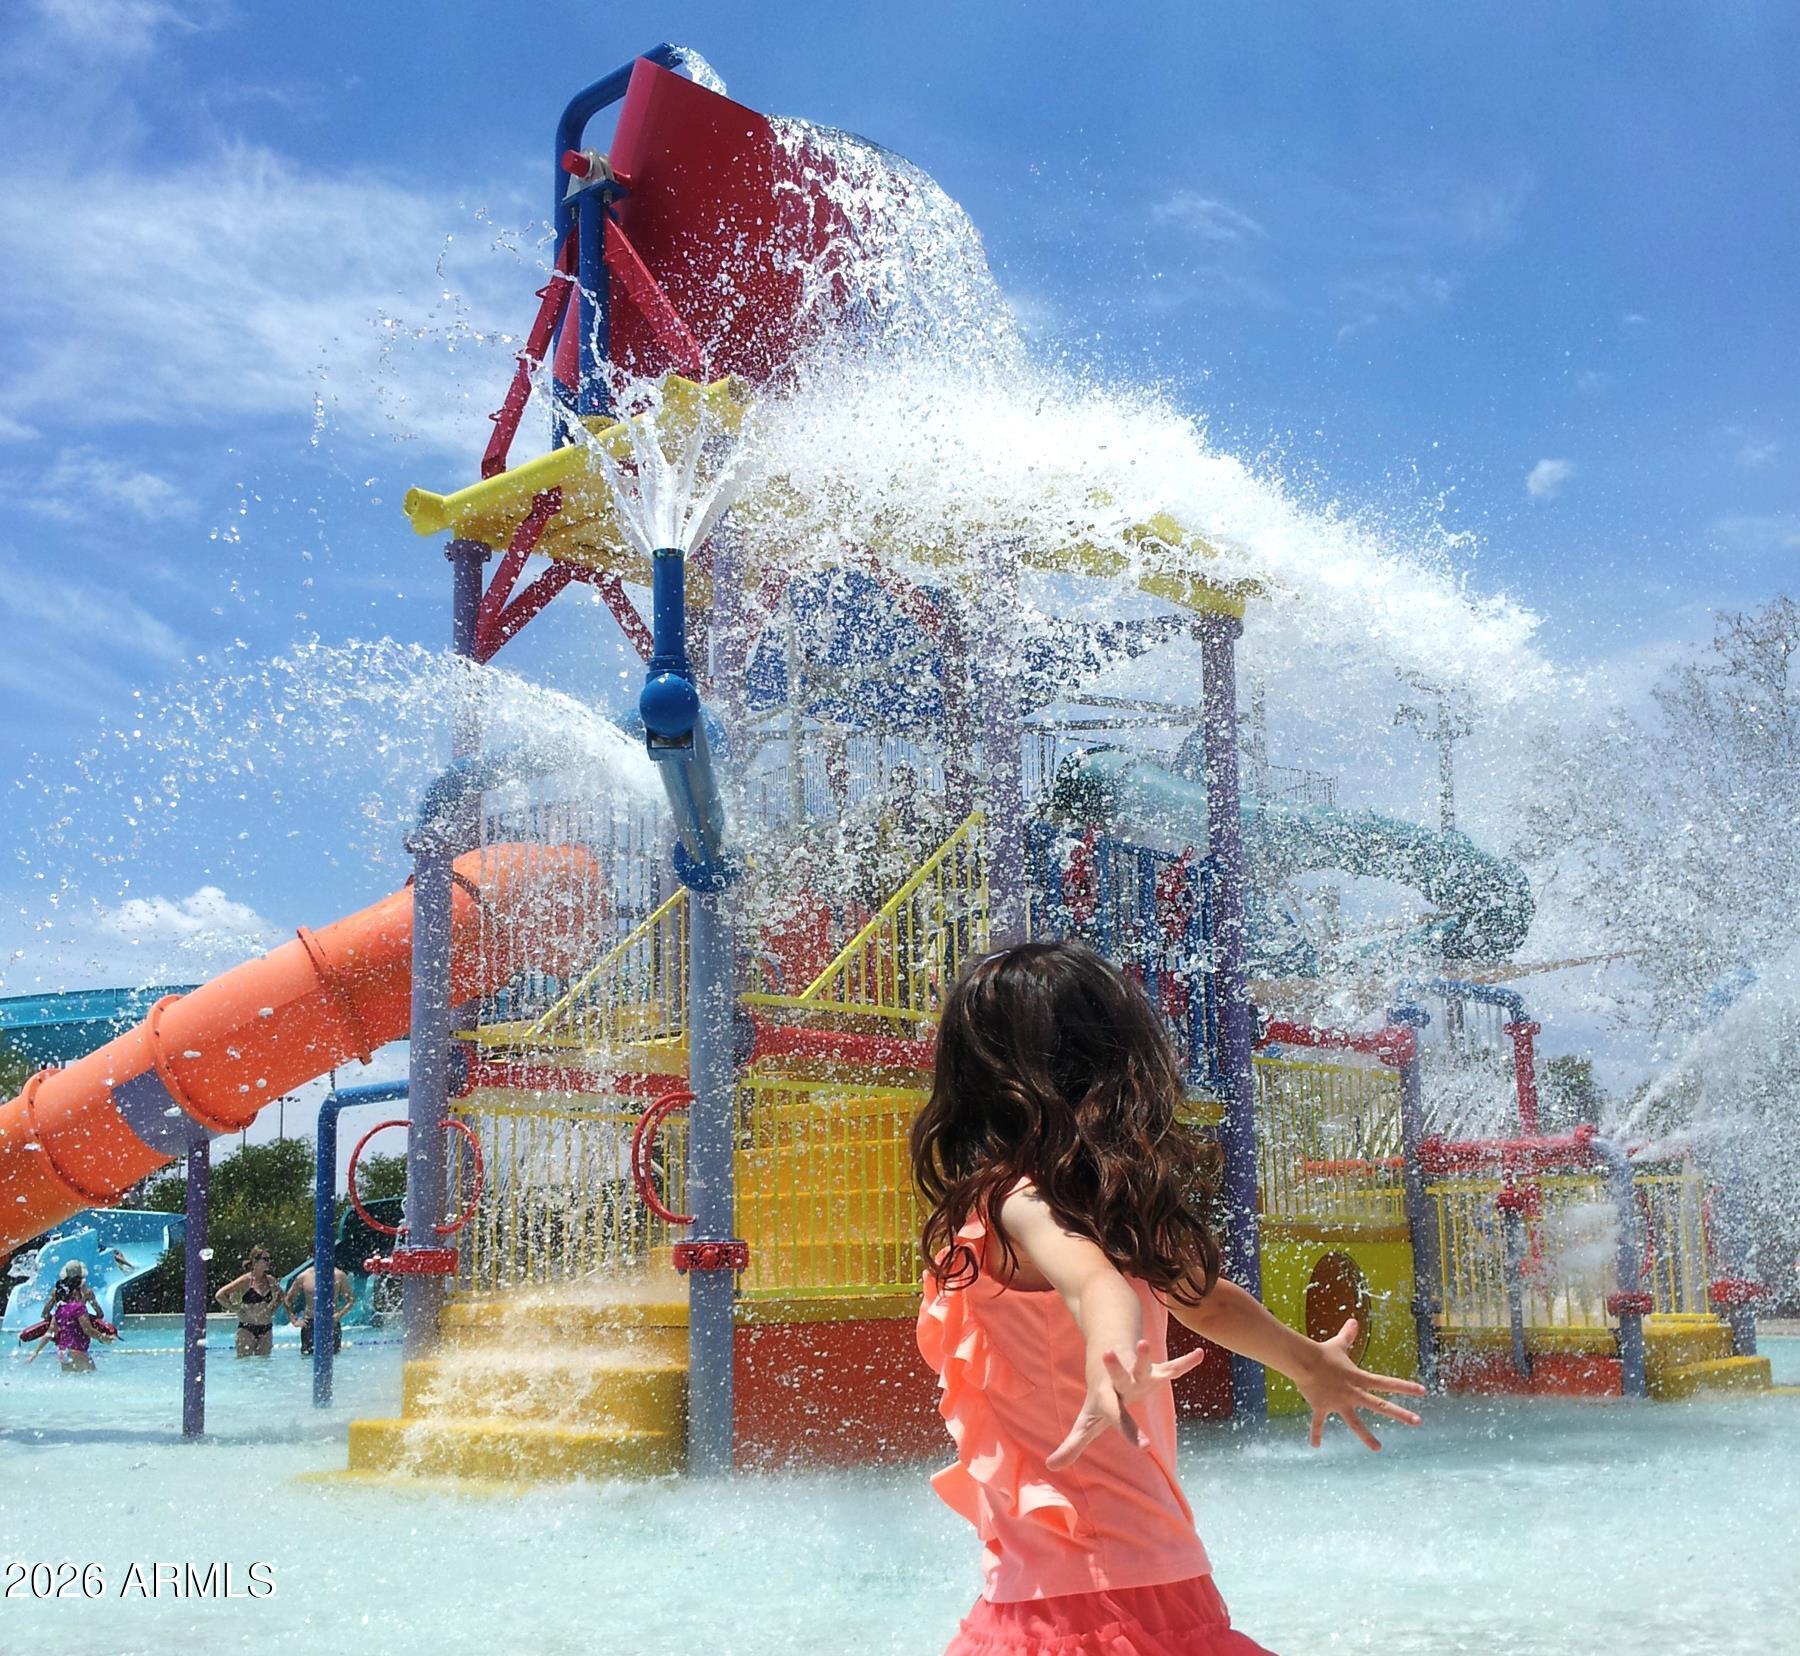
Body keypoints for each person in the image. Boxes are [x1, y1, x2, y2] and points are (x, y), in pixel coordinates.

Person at [910, 942, 1426, 1656]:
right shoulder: (1083, 1211)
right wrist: (1297, 1362)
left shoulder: (1024, 1204)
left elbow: (1119, 1287)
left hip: (1082, 1596)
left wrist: (1117, 1354)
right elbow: (1140, 1290)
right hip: (1134, 1574)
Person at [32, 1261, 116, 1373]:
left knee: (69, 1379)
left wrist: (61, 1320)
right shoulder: (85, 1295)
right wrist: (103, 1336)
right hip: (77, 1347)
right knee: (92, 1377)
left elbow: (45, 1314)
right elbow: (98, 1317)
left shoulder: (59, 1299)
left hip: (62, 1349)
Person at [216, 1246, 282, 1357]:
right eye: (265, 1259)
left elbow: (280, 1296)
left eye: (270, 1259)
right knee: (244, 1363)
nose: (269, 1262)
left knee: (265, 1363)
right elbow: (220, 1295)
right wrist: (236, 1309)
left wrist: (272, 1309)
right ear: (255, 1261)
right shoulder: (246, 1280)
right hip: (247, 1328)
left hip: (266, 1328)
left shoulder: (270, 1280)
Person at [283, 1262, 354, 1356]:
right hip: (310, 1324)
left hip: (331, 1323)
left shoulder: (339, 1275)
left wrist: (339, 1315)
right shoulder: (304, 1276)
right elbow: (288, 1300)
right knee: (307, 1359)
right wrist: (294, 1320)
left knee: (334, 1357)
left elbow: (351, 1300)